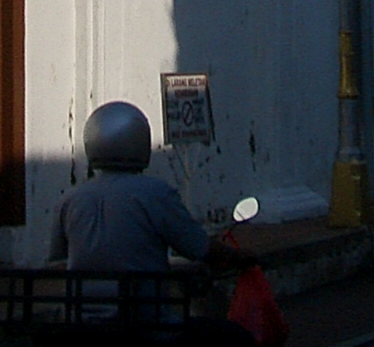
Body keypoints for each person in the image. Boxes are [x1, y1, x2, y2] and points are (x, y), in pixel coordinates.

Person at [49, 102, 244, 273]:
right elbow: (198, 247)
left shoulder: (70, 199)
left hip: (82, 310)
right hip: (146, 310)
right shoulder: (156, 194)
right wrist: (240, 257)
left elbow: (57, 256)